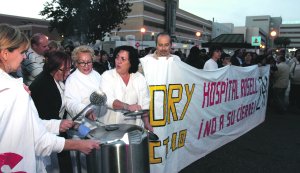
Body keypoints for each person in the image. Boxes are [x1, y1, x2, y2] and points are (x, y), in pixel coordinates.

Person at [0, 23, 99, 173]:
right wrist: (78, 145)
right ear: (5, 54)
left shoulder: (22, 87)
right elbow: (38, 138)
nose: (25, 56)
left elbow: (30, 125)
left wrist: (59, 124)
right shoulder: (16, 91)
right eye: (22, 52)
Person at [29, 51, 73, 172]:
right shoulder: (43, 86)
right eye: (65, 70)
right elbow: (44, 119)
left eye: (70, 69)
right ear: (54, 68)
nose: (68, 73)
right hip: (47, 137)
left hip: (55, 129)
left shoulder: (53, 78)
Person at [100, 46, 152, 130]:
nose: (118, 61)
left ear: (131, 62)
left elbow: (144, 103)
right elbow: (107, 99)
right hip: (110, 128)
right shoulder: (107, 76)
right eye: (117, 57)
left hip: (133, 128)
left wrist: (146, 123)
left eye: (123, 59)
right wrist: (127, 107)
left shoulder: (139, 78)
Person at [65, 45, 103, 121]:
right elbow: (70, 103)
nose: (86, 66)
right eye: (82, 62)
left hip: (98, 118)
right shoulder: (72, 80)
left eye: (89, 62)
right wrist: (86, 111)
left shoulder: (97, 75)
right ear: (76, 63)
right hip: (81, 122)